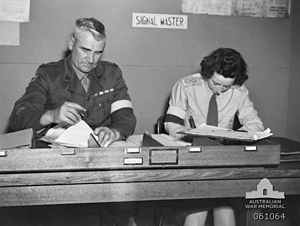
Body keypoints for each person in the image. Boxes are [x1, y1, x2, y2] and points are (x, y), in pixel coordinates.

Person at [164, 47, 264, 226]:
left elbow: (254, 123)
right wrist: (188, 135)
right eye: (215, 84)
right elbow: (171, 122)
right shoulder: (186, 85)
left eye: (226, 86)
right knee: (198, 212)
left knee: (225, 212)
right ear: (208, 73)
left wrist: (238, 135)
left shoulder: (239, 90)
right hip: (192, 160)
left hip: (222, 163)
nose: (219, 90)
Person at [8, 17, 136, 147]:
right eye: (85, 50)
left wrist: (114, 133)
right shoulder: (48, 74)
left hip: (101, 152)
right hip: (59, 156)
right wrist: (52, 115)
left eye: (98, 53)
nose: (91, 60)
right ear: (71, 43)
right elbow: (19, 117)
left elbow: (125, 115)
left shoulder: (112, 74)